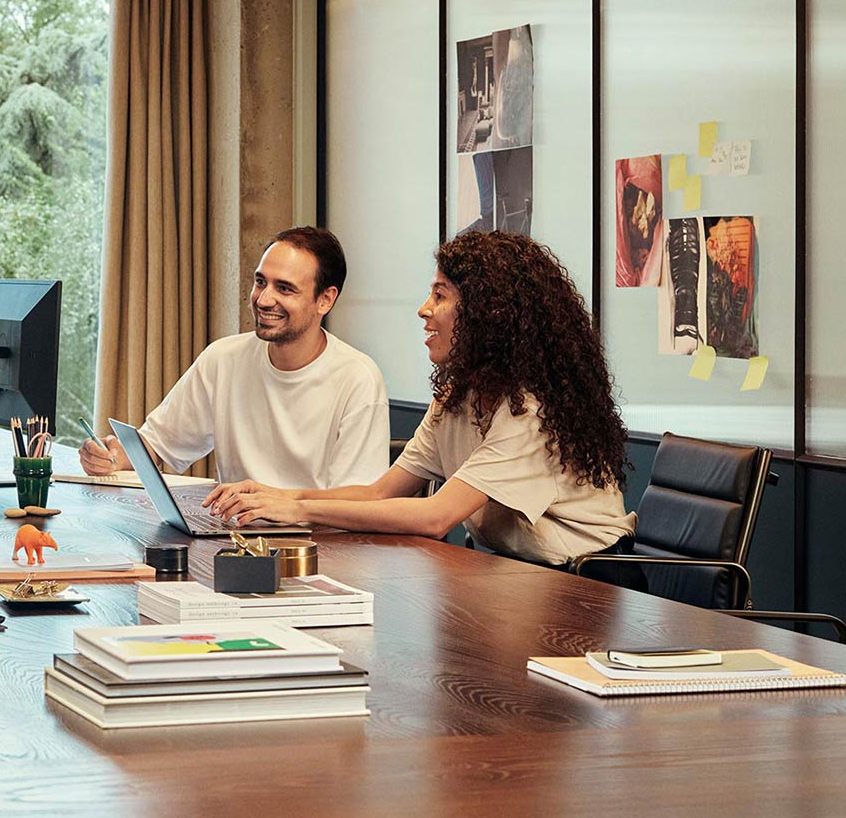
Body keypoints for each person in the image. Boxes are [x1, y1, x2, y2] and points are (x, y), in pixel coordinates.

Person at [205, 230, 635, 567]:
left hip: (585, 582)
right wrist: (279, 496)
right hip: (511, 570)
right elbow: (380, 494)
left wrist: (297, 510)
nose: (424, 309)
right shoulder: (456, 397)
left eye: (441, 295)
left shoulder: (529, 413)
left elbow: (434, 517)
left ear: (487, 315)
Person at [79, 226, 389, 490]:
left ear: (325, 299)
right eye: (260, 282)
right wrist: (115, 457)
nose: (264, 299)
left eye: (284, 288)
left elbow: (353, 505)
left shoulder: (357, 378)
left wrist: (279, 506)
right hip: (234, 544)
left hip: (319, 552)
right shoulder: (223, 358)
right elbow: (158, 446)